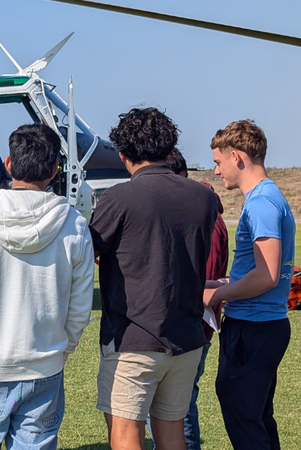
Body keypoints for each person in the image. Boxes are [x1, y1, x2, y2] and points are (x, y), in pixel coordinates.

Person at [0, 123, 94, 450]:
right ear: (54, 170)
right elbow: (80, 307)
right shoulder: (73, 223)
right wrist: (61, 350)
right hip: (44, 363)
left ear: (8, 163)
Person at [88, 108, 217, 450]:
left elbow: (89, 252)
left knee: (126, 431)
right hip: (187, 336)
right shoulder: (204, 197)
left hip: (133, 338)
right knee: (172, 430)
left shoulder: (117, 199)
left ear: (123, 154)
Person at [205, 120, 295, 450]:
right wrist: (220, 282)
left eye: (218, 162)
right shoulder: (268, 199)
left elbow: (267, 275)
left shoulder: (261, 204)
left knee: (244, 420)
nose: (217, 172)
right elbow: (260, 271)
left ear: (236, 157)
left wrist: (215, 295)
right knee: (256, 418)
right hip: (261, 326)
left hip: (253, 328)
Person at [165, 149, 228, 450]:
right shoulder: (203, 211)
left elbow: (208, 275)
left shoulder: (206, 218)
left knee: (181, 405)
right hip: (193, 323)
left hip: (193, 324)